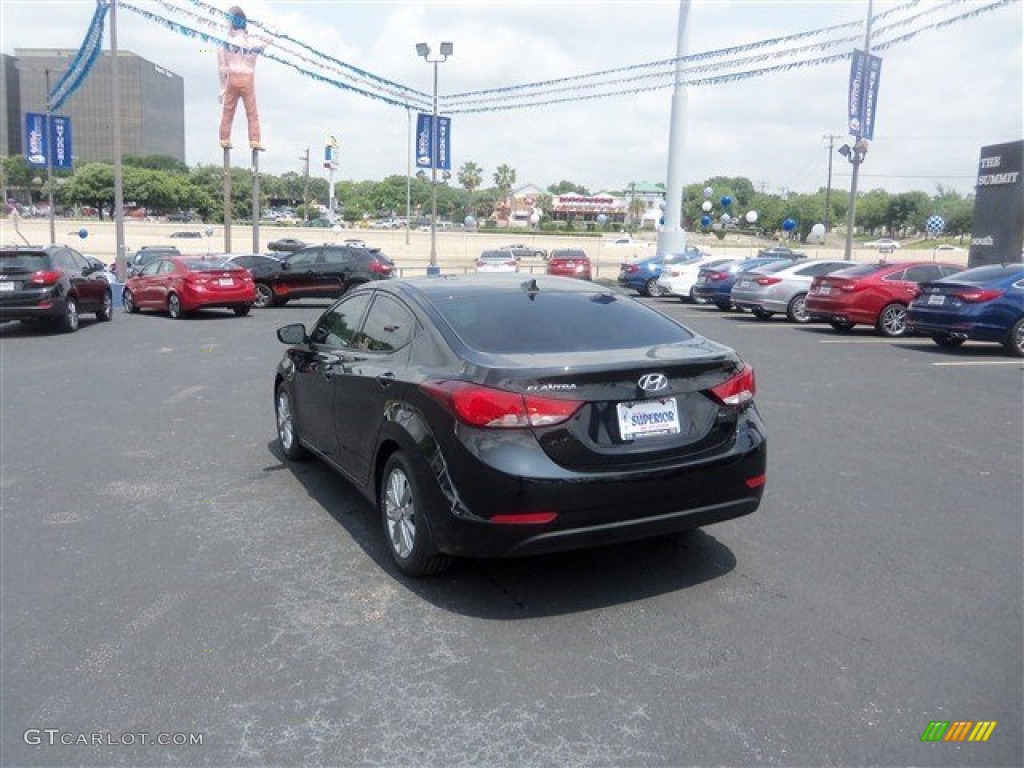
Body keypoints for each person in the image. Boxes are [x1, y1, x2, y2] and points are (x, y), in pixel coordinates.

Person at [218, 6, 269, 151]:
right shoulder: (251, 43)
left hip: (232, 77)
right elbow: (265, 42)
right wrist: (268, 36)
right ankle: (254, 140)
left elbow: (222, 68)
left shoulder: (224, 43)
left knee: (228, 111)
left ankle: (224, 138)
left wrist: (222, 88)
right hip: (247, 77)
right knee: (252, 112)